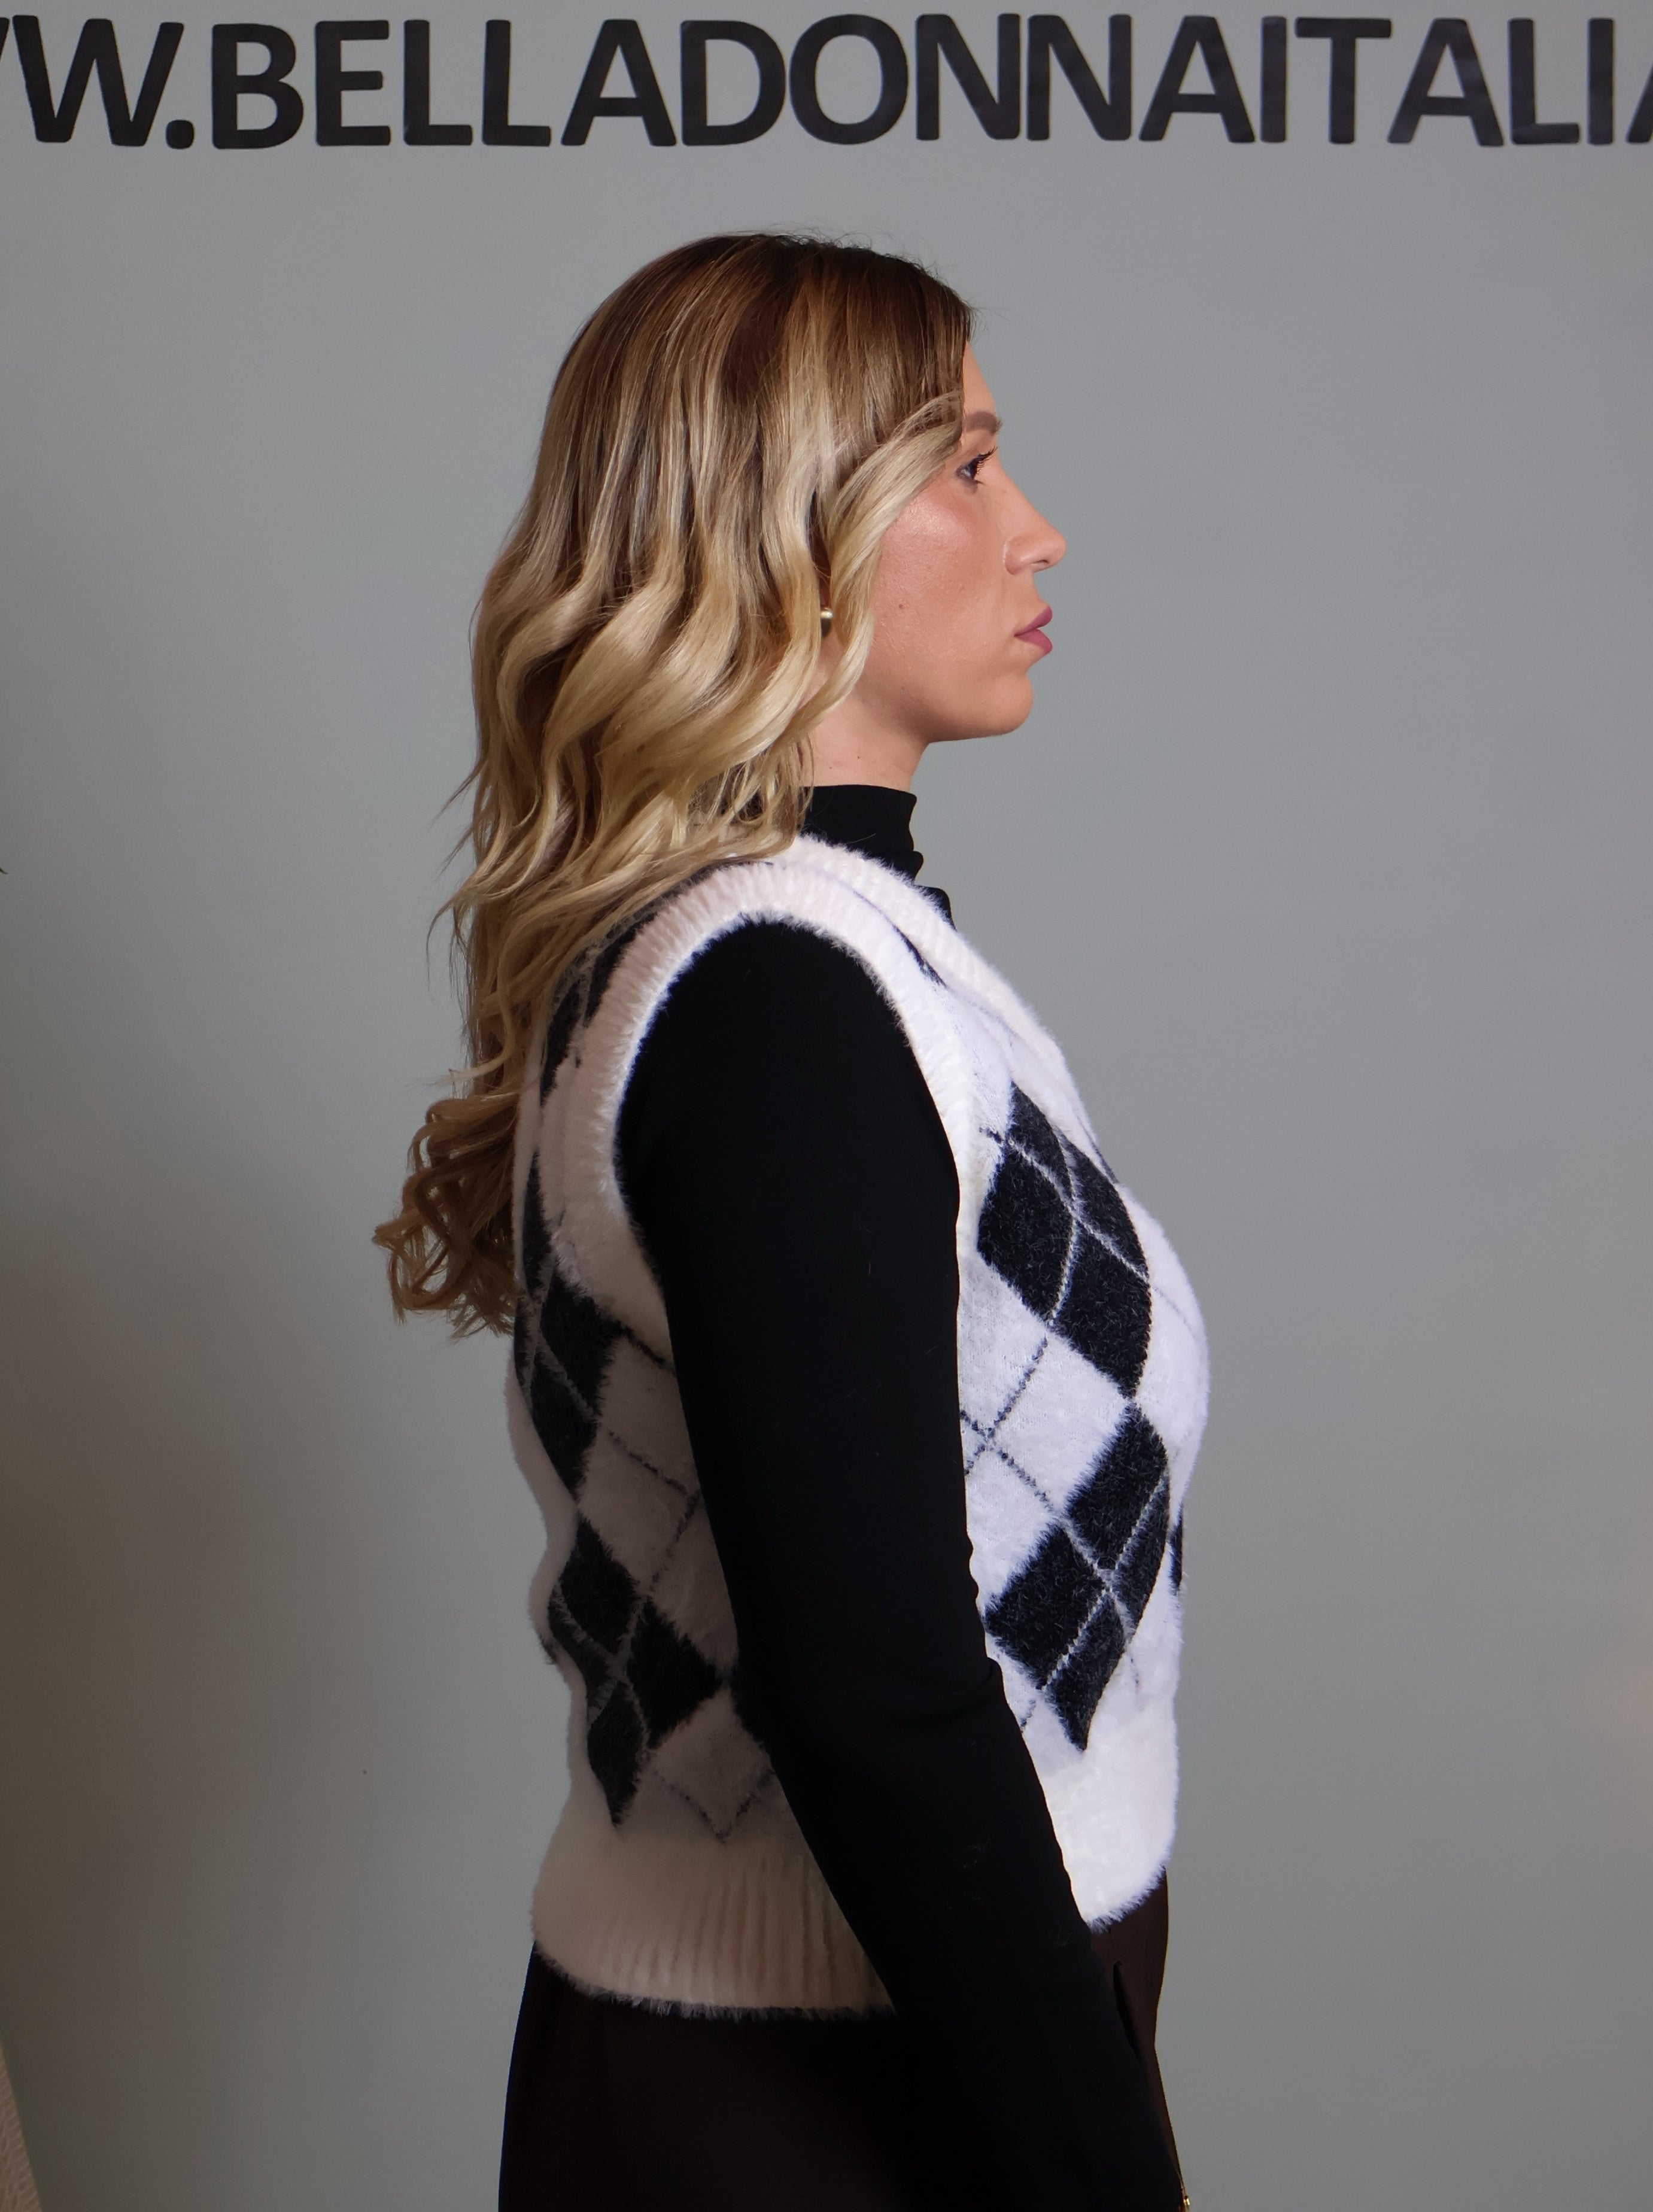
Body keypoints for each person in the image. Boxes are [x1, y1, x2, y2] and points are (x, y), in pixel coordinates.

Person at [376, 234, 1207, 2212]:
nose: (1037, 528)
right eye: (967, 466)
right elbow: (874, 1702)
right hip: (827, 2093)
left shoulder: (840, 957)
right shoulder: (774, 998)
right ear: (791, 535)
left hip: (922, 2032)